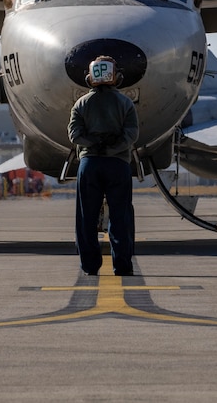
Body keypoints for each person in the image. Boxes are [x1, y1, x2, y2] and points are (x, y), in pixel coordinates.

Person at [67, 55, 139, 276]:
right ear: (116, 76)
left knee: (86, 218)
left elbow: (74, 135)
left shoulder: (81, 104)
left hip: (90, 164)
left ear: (90, 77)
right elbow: (132, 134)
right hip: (117, 164)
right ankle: (123, 266)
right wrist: (113, 146)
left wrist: (94, 144)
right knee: (120, 217)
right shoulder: (126, 103)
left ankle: (89, 266)